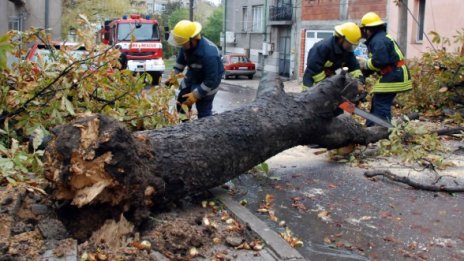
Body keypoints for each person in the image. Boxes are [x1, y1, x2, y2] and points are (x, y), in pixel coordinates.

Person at [358, 12, 412, 126]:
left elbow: (379, 61)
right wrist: (364, 74)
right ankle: (371, 127)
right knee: (378, 99)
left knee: (381, 102)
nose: (362, 32)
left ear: (368, 29)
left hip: (394, 74)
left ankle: (383, 130)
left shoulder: (378, 40)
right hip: (394, 73)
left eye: (363, 29)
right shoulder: (380, 37)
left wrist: (365, 64)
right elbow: (380, 61)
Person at [167, 20, 224, 119]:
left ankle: (205, 129)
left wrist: (196, 95)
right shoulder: (186, 44)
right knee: (182, 101)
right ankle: (184, 128)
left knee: (203, 110)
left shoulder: (209, 54)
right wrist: (173, 77)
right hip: (193, 75)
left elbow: (211, 80)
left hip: (210, 82)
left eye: (183, 44)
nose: (182, 46)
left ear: (193, 39)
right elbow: (180, 64)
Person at [303, 22, 364, 87]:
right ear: (342, 38)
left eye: (353, 45)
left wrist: (360, 80)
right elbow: (314, 69)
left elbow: (354, 67)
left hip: (327, 83)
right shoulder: (322, 47)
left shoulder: (346, 51)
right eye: (350, 43)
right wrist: (328, 84)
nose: (351, 46)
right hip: (312, 84)